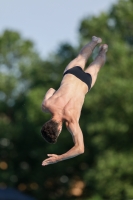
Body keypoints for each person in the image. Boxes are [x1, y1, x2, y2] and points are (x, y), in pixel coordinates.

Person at [41, 36, 108, 166]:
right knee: (82, 56)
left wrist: (58, 158)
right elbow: (51, 89)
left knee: (96, 66)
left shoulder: (71, 121)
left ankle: (103, 50)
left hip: (85, 83)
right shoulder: (47, 105)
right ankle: (95, 41)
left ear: (59, 129)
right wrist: (45, 106)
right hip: (71, 75)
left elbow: (80, 148)